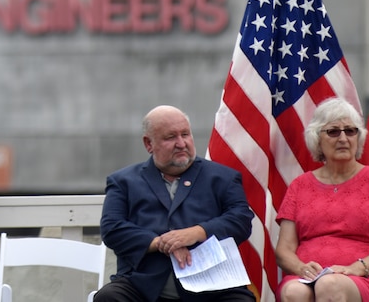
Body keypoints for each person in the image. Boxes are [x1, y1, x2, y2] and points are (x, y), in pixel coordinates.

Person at [95, 105, 254, 302]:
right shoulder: (123, 181)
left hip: (213, 289)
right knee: (108, 297)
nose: (181, 143)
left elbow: (241, 220)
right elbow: (112, 229)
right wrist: (161, 243)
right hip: (144, 287)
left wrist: (195, 233)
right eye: (170, 137)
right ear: (148, 144)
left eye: (185, 134)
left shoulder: (223, 177)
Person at [274, 97, 369, 302]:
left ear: (358, 137)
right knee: (294, 292)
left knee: (330, 285)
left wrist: (355, 269)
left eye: (350, 131)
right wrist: (302, 268)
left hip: (365, 279)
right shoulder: (299, 186)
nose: (343, 138)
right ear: (317, 139)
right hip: (306, 278)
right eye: (333, 131)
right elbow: (284, 250)